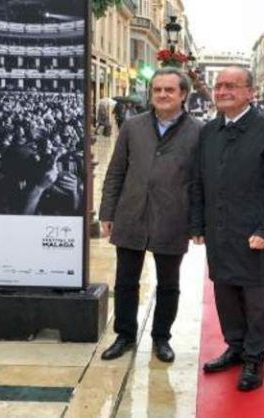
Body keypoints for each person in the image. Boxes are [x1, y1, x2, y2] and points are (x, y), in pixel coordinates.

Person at [190, 66, 264, 391]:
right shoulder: (208, 131)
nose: (222, 91)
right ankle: (235, 347)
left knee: (258, 301)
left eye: (231, 86)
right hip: (220, 234)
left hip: (256, 236)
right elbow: (197, 181)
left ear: (250, 92)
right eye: (219, 86)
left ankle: (254, 358)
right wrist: (197, 223)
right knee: (225, 295)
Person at [99, 68, 203, 363]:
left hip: (173, 218)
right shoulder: (133, 126)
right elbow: (116, 170)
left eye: (169, 90)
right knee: (126, 281)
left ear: (183, 94)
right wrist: (108, 210)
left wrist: (197, 223)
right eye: (157, 90)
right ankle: (125, 335)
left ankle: (161, 337)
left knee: (169, 283)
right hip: (131, 213)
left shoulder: (198, 131)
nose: (162, 95)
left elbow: (200, 181)